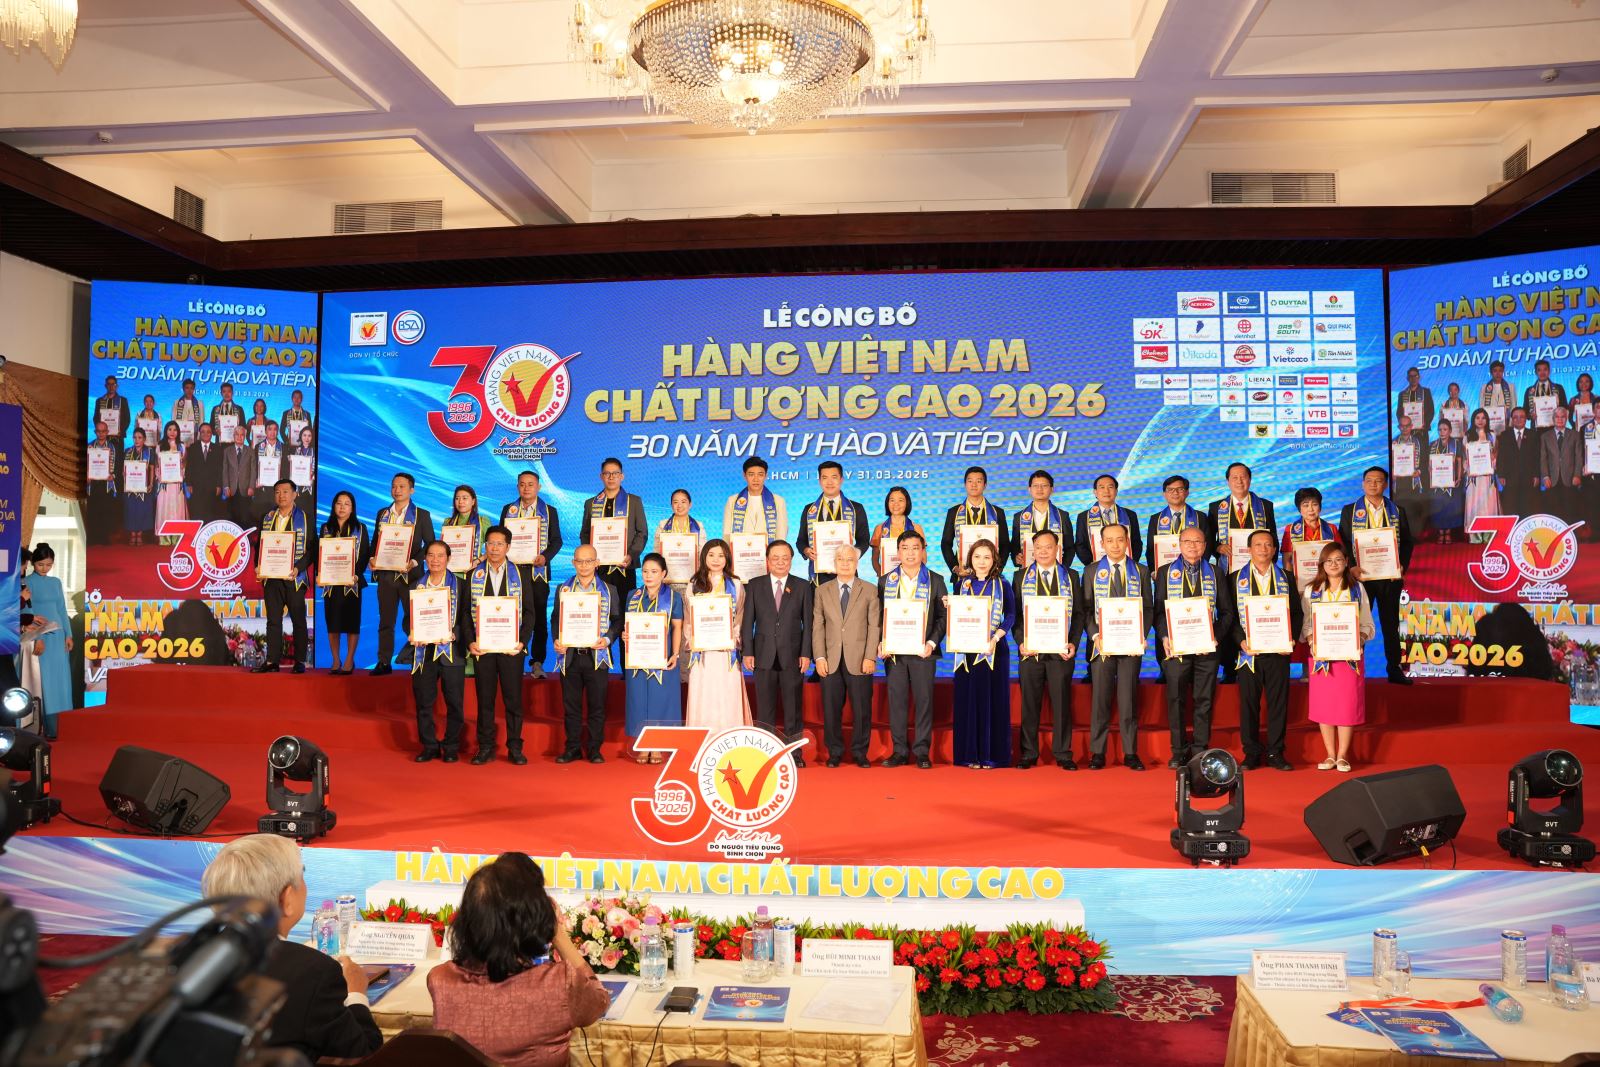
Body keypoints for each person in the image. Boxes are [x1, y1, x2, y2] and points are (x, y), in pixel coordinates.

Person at [200, 835, 381, 1063]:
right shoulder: (314, 971)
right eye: (301, 876)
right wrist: (356, 994)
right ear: (286, 899)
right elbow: (363, 1052)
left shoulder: (188, 957)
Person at [428, 853, 609, 1067]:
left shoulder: (439, 980)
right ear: (532, 919)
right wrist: (558, 933)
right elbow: (599, 1001)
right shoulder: (559, 983)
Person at [1224, 529, 1303, 770]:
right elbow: (1229, 616)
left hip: (1278, 652)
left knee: (1278, 704)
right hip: (1248, 654)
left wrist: (1290, 639)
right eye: (1258, 545)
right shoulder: (1234, 579)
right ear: (1249, 549)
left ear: (1274, 549)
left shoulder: (1286, 577)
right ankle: (1251, 752)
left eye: (1268, 544)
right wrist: (1240, 641)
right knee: (1249, 704)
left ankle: (1276, 752)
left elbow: (1297, 613)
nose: (1263, 549)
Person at [1153, 526, 1228, 769]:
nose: (1193, 546)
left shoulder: (1216, 572)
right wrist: (1164, 636)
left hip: (1207, 650)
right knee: (1175, 699)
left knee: (1203, 700)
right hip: (1176, 649)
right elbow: (1158, 612)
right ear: (1179, 544)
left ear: (1205, 546)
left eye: (1198, 542)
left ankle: (1199, 750)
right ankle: (1178, 750)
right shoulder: (1165, 572)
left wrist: (1215, 637)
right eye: (1188, 541)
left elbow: (1227, 612)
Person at [1081, 524, 1151, 770]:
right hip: (1102, 645)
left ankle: (1130, 753)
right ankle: (1098, 752)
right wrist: (1095, 635)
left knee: (1128, 700)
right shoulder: (1091, 571)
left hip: (1131, 645)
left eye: (1120, 539)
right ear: (1101, 544)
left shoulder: (1141, 571)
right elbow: (1085, 610)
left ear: (1127, 541)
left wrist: (1141, 634)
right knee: (1100, 700)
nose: (1115, 545)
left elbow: (1148, 608)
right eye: (1109, 540)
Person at [1301, 542, 1374, 773]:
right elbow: (1306, 624)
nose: (1334, 564)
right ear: (1322, 564)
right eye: (1329, 561)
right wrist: (1312, 641)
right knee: (1325, 705)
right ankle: (1330, 755)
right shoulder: (1312, 590)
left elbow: (1367, 623)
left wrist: (1359, 638)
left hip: (1348, 658)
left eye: (1338, 560)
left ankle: (1343, 755)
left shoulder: (1357, 589)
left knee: (1346, 705)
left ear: (1346, 562)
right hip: (1322, 657)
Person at [1012, 529, 1082, 770]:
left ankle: (1063, 753)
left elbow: (1079, 614)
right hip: (1030, 652)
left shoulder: (1071, 576)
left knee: (1062, 704)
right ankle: (1029, 752)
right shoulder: (1020, 577)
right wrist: (1020, 642)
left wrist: (1073, 642)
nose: (1043, 551)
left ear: (1057, 549)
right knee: (1029, 704)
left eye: (1048, 547)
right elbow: (1015, 615)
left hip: (1061, 652)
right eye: (1038, 547)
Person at [1339, 467, 1414, 686]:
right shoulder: (1350, 511)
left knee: (1390, 624)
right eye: (1369, 480)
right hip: (1360, 578)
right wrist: (1351, 567)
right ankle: (1353, 669)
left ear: (1385, 485)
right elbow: (1343, 541)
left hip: (1389, 578)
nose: (1373, 484)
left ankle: (1394, 668)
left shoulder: (1397, 511)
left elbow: (1407, 542)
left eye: (1378, 481)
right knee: (1358, 623)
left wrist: (1401, 566)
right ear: (1363, 484)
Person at [878, 530, 946, 769]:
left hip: (923, 652)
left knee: (924, 702)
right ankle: (899, 751)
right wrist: (881, 641)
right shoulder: (885, 581)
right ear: (898, 552)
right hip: (895, 654)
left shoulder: (936, 580)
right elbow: (878, 617)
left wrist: (931, 643)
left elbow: (943, 617)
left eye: (915, 548)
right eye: (905, 548)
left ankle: (922, 751)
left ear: (923, 551)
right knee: (897, 702)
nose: (910, 553)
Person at [740, 539, 813, 757]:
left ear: (791, 560)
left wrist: (806, 653)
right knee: (765, 710)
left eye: (785, 558)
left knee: (793, 708)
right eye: (775, 558)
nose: (780, 562)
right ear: (767, 561)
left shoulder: (803, 586)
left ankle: (794, 754)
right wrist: (748, 651)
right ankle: (766, 753)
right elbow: (747, 622)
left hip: (793, 655)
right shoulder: (754, 585)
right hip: (763, 655)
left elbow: (808, 624)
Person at [552, 544, 621, 763]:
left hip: (596, 657)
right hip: (570, 656)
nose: (584, 565)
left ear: (597, 563)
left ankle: (594, 749)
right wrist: (556, 639)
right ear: (573, 563)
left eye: (589, 561)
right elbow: (555, 618)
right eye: (579, 561)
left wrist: (607, 639)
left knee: (597, 706)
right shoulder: (563, 589)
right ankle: (572, 748)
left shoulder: (609, 590)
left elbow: (617, 621)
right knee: (571, 706)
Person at [950, 539, 1015, 769]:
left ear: (994, 560)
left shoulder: (1003, 584)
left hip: (993, 650)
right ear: (970, 559)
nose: (982, 561)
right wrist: (949, 605)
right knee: (968, 700)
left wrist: (995, 638)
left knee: (992, 701)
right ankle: (969, 755)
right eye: (977, 556)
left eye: (987, 557)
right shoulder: (962, 584)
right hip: (967, 651)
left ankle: (992, 755)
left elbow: (1011, 615)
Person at [813, 544, 880, 768]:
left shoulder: (869, 590)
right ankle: (834, 752)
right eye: (840, 559)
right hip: (830, 659)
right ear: (834, 563)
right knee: (831, 710)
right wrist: (819, 657)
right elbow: (818, 626)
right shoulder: (822, 590)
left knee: (862, 709)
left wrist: (870, 656)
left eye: (849, 559)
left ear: (857, 563)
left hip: (860, 659)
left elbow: (874, 626)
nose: (844, 563)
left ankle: (860, 753)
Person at [1209, 462, 1275, 680]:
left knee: (1255, 615)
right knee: (1229, 617)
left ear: (1250, 479)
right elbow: (1208, 541)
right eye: (1234, 477)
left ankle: (1258, 664)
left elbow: (1272, 538)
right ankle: (1229, 668)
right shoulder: (1216, 507)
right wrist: (1218, 547)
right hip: (1228, 574)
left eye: (1243, 477)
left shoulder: (1265, 506)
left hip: (1257, 574)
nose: (1239, 481)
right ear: (1227, 481)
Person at [468, 527, 525, 765]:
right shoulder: (474, 575)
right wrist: (470, 641)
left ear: (508, 547)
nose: (494, 548)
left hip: (511, 649)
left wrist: (522, 641)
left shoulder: (520, 574)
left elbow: (530, 612)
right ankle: (485, 747)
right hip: (483, 649)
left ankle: (515, 747)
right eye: (490, 543)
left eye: (499, 544)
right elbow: (465, 613)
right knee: (485, 700)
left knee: (513, 700)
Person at [684, 539, 752, 731]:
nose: (716, 559)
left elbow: (740, 616)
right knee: (704, 693)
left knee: (727, 693)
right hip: (702, 654)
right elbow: (689, 619)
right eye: (711, 555)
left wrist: (732, 638)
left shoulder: (736, 584)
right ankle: (703, 739)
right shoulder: (694, 584)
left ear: (727, 558)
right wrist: (693, 640)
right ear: (704, 557)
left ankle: (730, 738)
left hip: (726, 653)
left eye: (721, 555)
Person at [500, 470, 562, 677]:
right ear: (517, 486)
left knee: (538, 618)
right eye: (522, 484)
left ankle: (537, 662)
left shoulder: (549, 511)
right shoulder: (508, 509)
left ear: (539, 487)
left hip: (538, 573)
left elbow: (557, 541)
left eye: (530, 484)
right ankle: (512, 659)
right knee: (511, 615)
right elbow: (501, 539)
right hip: (512, 572)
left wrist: (545, 556)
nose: (526, 488)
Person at [622, 553, 682, 764]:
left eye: (654, 571)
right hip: (638, 657)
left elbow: (677, 627)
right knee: (638, 701)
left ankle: (657, 746)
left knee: (661, 701)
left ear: (663, 573)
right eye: (645, 571)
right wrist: (625, 634)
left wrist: (675, 654)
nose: (648, 575)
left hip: (663, 657)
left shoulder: (673, 597)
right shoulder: (633, 595)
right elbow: (628, 625)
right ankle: (643, 745)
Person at [372, 472, 435, 674]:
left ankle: (419, 659)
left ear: (411, 490)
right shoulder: (382, 513)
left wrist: (414, 561)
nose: (397, 490)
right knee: (386, 621)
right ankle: (384, 662)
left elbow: (430, 545)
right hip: (386, 576)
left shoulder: (422, 515)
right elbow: (375, 543)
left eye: (402, 486)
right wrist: (372, 559)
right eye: (394, 486)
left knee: (414, 620)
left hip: (412, 577)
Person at [413, 540, 469, 762]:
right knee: (423, 702)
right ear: (425, 558)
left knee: (454, 702)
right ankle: (429, 745)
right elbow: (408, 618)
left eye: (440, 555)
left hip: (452, 651)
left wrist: (455, 633)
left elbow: (466, 617)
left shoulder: (461, 585)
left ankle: (451, 746)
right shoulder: (416, 585)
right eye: (431, 555)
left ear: (448, 558)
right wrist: (412, 632)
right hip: (424, 652)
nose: (435, 560)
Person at [252, 479, 312, 673]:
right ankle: (272, 661)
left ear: (295, 494)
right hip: (272, 578)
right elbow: (259, 546)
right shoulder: (268, 517)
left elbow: (312, 549)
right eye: (277, 492)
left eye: (286, 492)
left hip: (294, 578)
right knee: (273, 621)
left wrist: (298, 568)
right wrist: (257, 566)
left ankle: (300, 661)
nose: (281, 496)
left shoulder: (305, 518)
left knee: (298, 620)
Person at [579, 456, 647, 608]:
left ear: (622, 476)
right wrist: (590, 557)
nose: (611, 477)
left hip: (625, 565)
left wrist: (631, 555)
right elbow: (585, 533)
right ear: (601, 476)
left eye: (615, 473)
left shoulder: (634, 501)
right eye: (607, 473)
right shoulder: (591, 504)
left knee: (624, 609)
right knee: (599, 608)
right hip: (599, 567)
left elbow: (642, 533)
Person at [21, 544, 72, 737]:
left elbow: (62, 609)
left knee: (61, 681)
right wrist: (38, 638)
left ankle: (62, 727)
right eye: (41, 564)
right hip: (40, 636)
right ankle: (45, 727)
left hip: (58, 637)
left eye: (49, 564)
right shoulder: (26, 582)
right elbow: (27, 612)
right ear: (33, 563)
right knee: (44, 682)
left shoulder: (56, 582)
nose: (45, 568)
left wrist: (68, 634)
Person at [319, 490, 371, 675]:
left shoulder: (361, 528)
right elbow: (320, 554)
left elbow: (364, 554)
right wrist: (320, 574)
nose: (342, 507)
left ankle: (349, 659)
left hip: (352, 584)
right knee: (332, 623)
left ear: (352, 508)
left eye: (346, 504)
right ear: (334, 506)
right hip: (331, 583)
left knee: (351, 623)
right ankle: (335, 659)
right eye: (339, 503)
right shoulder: (326, 528)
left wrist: (356, 574)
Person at [795, 460, 870, 587]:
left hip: (847, 572)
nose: (829, 482)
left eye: (834, 477)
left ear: (841, 480)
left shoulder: (856, 508)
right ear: (819, 481)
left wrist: (852, 555)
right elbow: (801, 540)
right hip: (818, 575)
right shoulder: (809, 510)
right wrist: (806, 550)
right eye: (825, 478)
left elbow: (864, 540)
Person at [940, 466, 1010, 582]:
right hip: (962, 574)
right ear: (965, 484)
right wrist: (956, 568)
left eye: (978, 481)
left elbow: (1005, 544)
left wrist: (997, 569)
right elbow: (945, 544)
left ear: (985, 485)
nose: (974, 485)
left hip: (990, 575)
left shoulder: (997, 513)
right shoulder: (954, 512)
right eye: (970, 481)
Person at [1279, 487, 1340, 590]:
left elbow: (1339, 555)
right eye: (1306, 505)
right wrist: (1292, 584)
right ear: (1299, 509)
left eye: (1314, 504)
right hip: (1301, 583)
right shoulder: (1290, 530)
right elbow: (1287, 560)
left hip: (1328, 582)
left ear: (1320, 507)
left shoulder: (1331, 528)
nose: (1311, 509)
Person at [1075, 474, 1140, 567]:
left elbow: (1136, 543)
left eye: (1110, 487)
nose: (1106, 491)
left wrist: (1130, 563)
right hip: (1096, 568)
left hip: (1126, 567)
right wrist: (1092, 565)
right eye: (1102, 487)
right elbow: (1080, 545)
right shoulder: (1084, 517)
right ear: (1095, 492)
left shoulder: (1130, 515)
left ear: (1116, 491)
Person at [722, 455, 788, 545]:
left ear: (766, 476)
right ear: (744, 476)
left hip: (769, 552)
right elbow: (727, 534)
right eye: (751, 474)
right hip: (740, 552)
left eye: (760, 474)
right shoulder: (732, 501)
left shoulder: (778, 501)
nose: (756, 479)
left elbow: (781, 534)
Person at [1011, 469, 1070, 570]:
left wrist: (1062, 569)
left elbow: (1070, 547)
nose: (1039, 489)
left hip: (1056, 571)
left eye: (1044, 485)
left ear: (1052, 489)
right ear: (1029, 489)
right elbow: (1014, 546)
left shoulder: (1062, 516)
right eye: (1035, 486)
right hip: (1027, 572)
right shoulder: (1019, 517)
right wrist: (1016, 558)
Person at [1146, 474, 1206, 573]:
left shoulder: (1200, 517)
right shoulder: (1155, 519)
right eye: (1170, 489)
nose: (1175, 492)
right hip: (1164, 572)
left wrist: (1201, 569)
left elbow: (1207, 546)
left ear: (1187, 492)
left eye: (1180, 489)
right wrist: (1153, 571)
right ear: (1164, 494)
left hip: (1195, 571)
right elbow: (1151, 549)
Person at [1495, 407, 1540, 519]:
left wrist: (1536, 475)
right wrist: (1501, 475)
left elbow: (1537, 457)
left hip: (1528, 479)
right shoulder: (1504, 435)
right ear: (1511, 419)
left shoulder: (1533, 435)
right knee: (1511, 508)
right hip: (1510, 479)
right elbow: (1501, 457)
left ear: (1526, 419)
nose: (1518, 419)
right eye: (1515, 417)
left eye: (1522, 417)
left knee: (1528, 509)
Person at [1463, 408, 1501, 540]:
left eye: (1483, 418)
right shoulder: (1467, 436)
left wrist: (1492, 460)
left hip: (1488, 477)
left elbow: (1496, 454)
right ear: (1473, 419)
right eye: (1477, 418)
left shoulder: (1492, 435)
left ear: (1487, 420)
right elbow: (1465, 458)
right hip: (1474, 478)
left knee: (1489, 505)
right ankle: (1475, 536)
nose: (1480, 420)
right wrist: (1469, 469)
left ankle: (1489, 535)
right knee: (1475, 505)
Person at [870, 485, 924, 578]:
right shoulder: (879, 528)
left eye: (900, 500)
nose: (896, 504)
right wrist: (882, 576)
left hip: (912, 579)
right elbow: (875, 559)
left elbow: (923, 558)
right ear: (887, 503)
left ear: (907, 503)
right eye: (892, 500)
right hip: (887, 579)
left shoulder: (916, 528)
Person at [1540, 405, 1583, 522]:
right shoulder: (1545, 436)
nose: (1560, 419)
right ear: (1553, 419)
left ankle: (1570, 532)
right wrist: (1545, 476)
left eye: (1563, 417)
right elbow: (1543, 458)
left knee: (1570, 511)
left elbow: (1578, 457)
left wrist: (1577, 475)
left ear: (1566, 418)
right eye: (1557, 417)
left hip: (1570, 478)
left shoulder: (1575, 435)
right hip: (1552, 479)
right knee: (1553, 512)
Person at [1391, 412, 1430, 538]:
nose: (1405, 428)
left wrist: (1419, 471)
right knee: (1399, 510)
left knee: (1413, 511)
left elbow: (1425, 461)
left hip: (1414, 482)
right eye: (1402, 426)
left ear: (1412, 426)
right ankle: (1400, 537)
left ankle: (1413, 536)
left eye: (1407, 425)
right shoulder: (1393, 443)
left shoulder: (1420, 442)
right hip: (1399, 483)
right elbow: (1389, 461)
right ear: (1399, 427)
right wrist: (1392, 471)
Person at [85, 418, 121, 545]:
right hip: (93, 483)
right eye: (98, 431)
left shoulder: (113, 447)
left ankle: (104, 537)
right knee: (93, 510)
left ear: (107, 432)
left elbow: (118, 465)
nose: (101, 433)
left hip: (107, 483)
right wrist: (86, 475)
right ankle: (93, 537)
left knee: (106, 510)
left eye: (103, 431)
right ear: (95, 432)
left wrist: (113, 476)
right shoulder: (89, 446)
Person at [1429, 417, 1465, 542]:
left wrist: (1459, 477)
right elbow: (1430, 464)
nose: (1442, 432)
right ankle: (1440, 532)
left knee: (1450, 506)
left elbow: (1459, 461)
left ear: (1450, 431)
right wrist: (1431, 477)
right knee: (1438, 506)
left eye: (1445, 429)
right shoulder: (1432, 445)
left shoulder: (1456, 444)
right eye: (1440, 430)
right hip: (1437, 482)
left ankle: (1448, 532)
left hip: (1452, 481)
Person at [445, 484, 489, 577]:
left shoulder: (483, 522)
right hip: (451, 573)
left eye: (464, 498)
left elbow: (492, 548)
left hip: (474, 570)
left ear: (473, 501)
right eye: (457, 498)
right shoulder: (448, 522)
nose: (460, 501)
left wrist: (478, 561)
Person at [154, 420, 188, 542]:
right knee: (164, 509)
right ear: (166, 431)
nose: (172, 432)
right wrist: (161, 477)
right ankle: (164, 538)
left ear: (178, 432)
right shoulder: (160, 446)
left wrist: (181, 473)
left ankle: (177, 538)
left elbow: (184, 465)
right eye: (170, 429)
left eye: (175, 430)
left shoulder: (182, 446)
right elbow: (157, 466)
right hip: (164, 484)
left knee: (177, 509)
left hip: (177, 484)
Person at [221, 424, 259, 530]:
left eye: (242, 435)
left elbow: (253, 470)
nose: (239, 437)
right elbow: (225, 470)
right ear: (233, 436)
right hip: (231, 489)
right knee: (232, 516)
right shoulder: (227, 451)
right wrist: (226, 486)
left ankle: (244, 536)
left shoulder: (250, 451)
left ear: (245, 436)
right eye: (237, 434)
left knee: (245, 517)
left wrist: (251, 486)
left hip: (246, 489)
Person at [184, 421, 223, 523]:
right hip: (196, 487)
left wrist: (219, 485)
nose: (206, 434)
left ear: (212, 434)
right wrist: (188, 483)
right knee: (197, 513)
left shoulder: (218, 449)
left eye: (208, 432)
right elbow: (189, 467)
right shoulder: (193, 448)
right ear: (199, 433)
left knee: (211, 514)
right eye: (203, 432)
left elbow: (220, 468)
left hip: (212, 487)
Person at [122, 427, 156, 546]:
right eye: (135, 437)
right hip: (130, 486)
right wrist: (124, 476)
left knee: (142, 509)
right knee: (131, 509)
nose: (137, 440)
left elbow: (152, 468)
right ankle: (132, 534)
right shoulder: (127, 451)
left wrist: (151, 483)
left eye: (140, 438)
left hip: (144, 486)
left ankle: (140, 534)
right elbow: (124, 468)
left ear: (144, 439)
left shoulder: (150, 452)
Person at [1523, 358, 1568, 432]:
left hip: (1555, 428)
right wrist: (1531, 415)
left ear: (1549, 371)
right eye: (1539, 370)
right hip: (1536, 429)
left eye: (1545, 369)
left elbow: (1565, 407)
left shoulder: (1558, 388)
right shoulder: (1529, 391)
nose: (1542, 372)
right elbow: (1525, 411)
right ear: (1535, 372)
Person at [252, 420, 285, 518]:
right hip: (262, 487)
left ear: (277, 432)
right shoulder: (258, 447)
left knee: (276, 516)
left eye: (275, 429)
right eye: (270, 429)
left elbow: (286, 468)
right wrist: (255, 481)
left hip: (277, 488)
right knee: (261, 516)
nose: (272, 432)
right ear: (265, 431)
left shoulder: (283, 447)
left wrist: (282, 480)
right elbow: (254, 466)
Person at [1396, 367, 1435, 447]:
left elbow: (1431, 410)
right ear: (1407, 378)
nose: (1413, 378)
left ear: (1419, 377)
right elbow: (1399, 412)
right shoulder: (1402, 394)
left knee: (1423, 452)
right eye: (1411, 376)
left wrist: (1426, 423)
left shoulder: (1426, 392)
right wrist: (1403, 425)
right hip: (1407, 432)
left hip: (1422, 430)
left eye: (1415, 376)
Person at [93, 374, 130, 447]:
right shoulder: (99, 401)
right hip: (103, 438)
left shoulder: (123, 400)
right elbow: (96, 418)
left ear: (117, 386)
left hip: (118, 438)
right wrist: (100, 431)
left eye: (113, 384)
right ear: (105, 386)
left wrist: (121, 431)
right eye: (109, 384)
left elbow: (127, 419)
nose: (111, 387)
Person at [1480, 360, 1515, 427]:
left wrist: (1511, 423)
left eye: (1500, 371)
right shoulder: (1484, 387)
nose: (1498, 373)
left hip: (1506, 422)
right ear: (1491, 372)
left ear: (1503, 372)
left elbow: (1513, 406)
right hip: (1490, 422)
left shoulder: (1510, 387)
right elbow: (1482, 406)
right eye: (1495, 371)